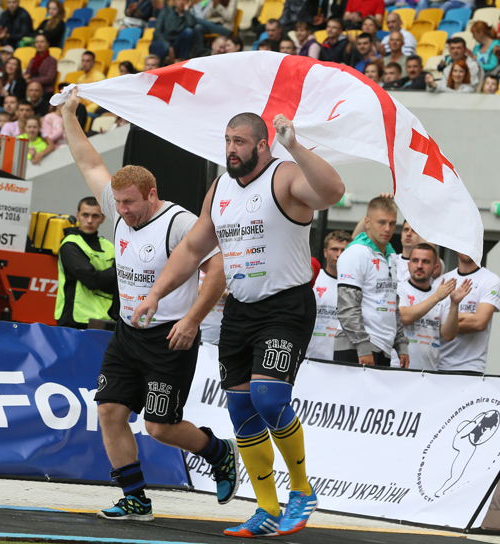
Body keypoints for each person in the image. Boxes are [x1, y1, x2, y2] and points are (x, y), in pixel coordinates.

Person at [131, 110, 345, 536]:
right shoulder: (220, 188)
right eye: (228, 140)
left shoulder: (284, 176)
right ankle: (266, 509)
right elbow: (192, 249)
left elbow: (333, 192)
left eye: (240, 142)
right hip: (240, 310)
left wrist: (295, 145)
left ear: (263, 145)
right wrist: (155, 293)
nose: (231, 149)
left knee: (269, 397)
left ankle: (301, 490)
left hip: (285, 305)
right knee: (242, 409)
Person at [61, 88, 239, 522]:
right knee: (109, 410)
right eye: (117, 203)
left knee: (160, 427)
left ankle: (218, 452)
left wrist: (193, 320)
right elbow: (89, 162)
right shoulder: (118, 206)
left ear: (152, 194)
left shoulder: (178, 222)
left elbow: (218, 270)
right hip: (127, 333)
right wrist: (69, 114)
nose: (121, 211)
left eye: (130, 203)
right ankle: (134, 498)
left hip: (170, 337)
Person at [334, 196, 409, 368]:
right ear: (367, 222)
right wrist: (362, 346)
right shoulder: (356, 253)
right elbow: (347, 306)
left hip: (383, 347)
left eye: (392, 223)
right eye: (381, 222)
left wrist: (400, 343)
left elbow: (392, 304)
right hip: (356, 346)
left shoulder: (391, 256)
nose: (387, 229)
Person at [398, 243, 471, 371]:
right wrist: (436, 297)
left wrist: (454, 304)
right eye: (415, 261)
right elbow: (404, 317)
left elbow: (448, 335)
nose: (419, 266)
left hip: (429, 372)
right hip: (399, 368)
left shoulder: (442, 295)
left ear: (435, 268)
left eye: (425, 262)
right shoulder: (399, 289)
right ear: (408, 265)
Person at [55, 196, 118, 329]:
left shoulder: (109, 246)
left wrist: (110, 277)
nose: (89, 220)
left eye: (95, 216)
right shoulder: (70, 244)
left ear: (102, 218)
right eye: (85, 215)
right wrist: (114, 274)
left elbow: (120, 283)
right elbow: (91, 280)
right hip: (75, 319)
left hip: (105, 318)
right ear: (77, 216)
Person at [439, 253, 500, 374]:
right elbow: (431, 322)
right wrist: (464, 316)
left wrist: (444, 326)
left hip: (470, 367)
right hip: (436, 364)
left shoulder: (491, 279)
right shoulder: (442, 280)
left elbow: (479, 323)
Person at [306, 231, 352, 361]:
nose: (339, 254)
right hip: (310, 359)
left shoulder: (356, 285)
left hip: (343, 360)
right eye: (334, 249)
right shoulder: (314, 279)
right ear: (325, 252)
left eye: (344, 250)